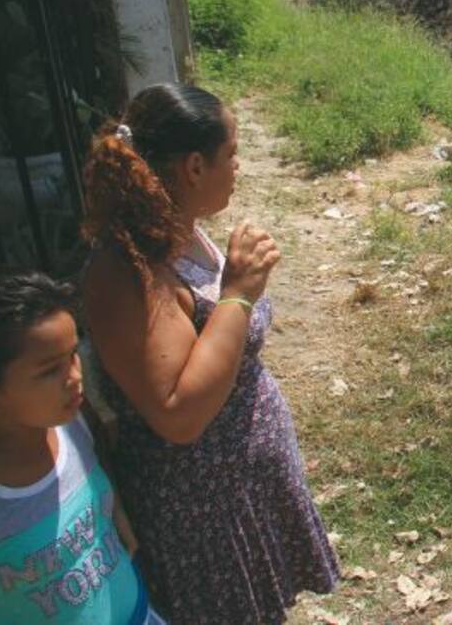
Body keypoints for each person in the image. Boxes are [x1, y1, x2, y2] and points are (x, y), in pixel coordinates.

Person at [81, 83, 338, 624]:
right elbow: (178, 413)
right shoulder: (129, 269)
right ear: (194, 166)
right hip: (201, 513)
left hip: (234, 494)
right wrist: (239, 293)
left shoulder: (175, 232)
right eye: (232, 152)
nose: (239, 165)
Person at [0, 271, 166, 624]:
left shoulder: (71, 421)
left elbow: (95, 461)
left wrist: (114, 508)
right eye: (49, 370)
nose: (75, 375)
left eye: (73, 354)